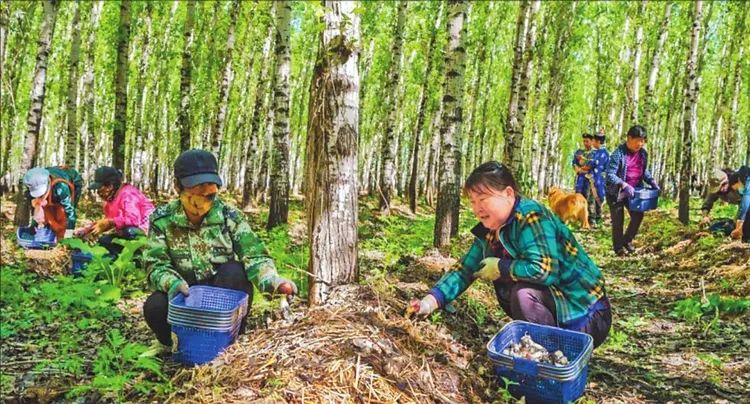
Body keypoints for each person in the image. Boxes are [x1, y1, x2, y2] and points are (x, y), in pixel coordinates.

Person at [407, 161, 611, 348]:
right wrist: (429, 302)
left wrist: (501, 267)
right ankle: (547, 353)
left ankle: (554, 358)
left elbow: (545, 270)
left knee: (523, 294)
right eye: (473, 201)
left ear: (508, 194)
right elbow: (465, 269)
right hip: (559, 308)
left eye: (483, 199)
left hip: (586, 314)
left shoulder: (531, 217)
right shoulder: (491, 230)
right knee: (514, 291)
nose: (477, 209)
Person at [142, 149, 297, 352]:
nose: (201, 202)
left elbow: (254, 255)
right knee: (155, 306)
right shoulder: (162, 219)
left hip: (221, 294)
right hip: (185, 295)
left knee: (235, 272)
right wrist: (172, 283)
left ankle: (230, 339)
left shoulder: (229, 216)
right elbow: (155, 264)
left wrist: (273, 282)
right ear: (177, 186)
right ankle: (175, 344)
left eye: (209, 195)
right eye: (194, 193)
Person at [605, 125, 659, 257]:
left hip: (634, 192)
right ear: (629, 138)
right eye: (638, 140)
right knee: (618, 220)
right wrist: (623, 184)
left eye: (643, 141)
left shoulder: (643, 154)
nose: (640, 144)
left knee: (638, 216)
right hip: (616, 192)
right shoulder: (618, 154)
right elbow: (610, 174)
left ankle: (627, 240)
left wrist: (651, 181)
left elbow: (643, 171)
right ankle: (619, 248)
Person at [76, 166, 155, 255]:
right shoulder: (110, 201)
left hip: (146, 234)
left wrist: (110, 222)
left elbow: (133, 220)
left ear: (110, 186)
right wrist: (88, 230)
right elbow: (107, 221)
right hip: (128, 234)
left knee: (129, 232)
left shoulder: (128, 194)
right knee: (104, 241)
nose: (99, 193)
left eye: (100, 189)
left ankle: (139, 257)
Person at [22, 166, 84, 240]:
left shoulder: (61, 188)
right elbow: (36, 209)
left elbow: (70, 211)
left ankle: (62, 234)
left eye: (41, 193)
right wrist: (33, 227)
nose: (39, 196)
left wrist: (68, 235)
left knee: (63, 214)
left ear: (48, 183)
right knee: (46, 209)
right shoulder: (32, 183)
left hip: (73, 181)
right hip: (54, 184)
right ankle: (48, 230)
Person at [586, 131, 609, 227]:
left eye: (594, 141)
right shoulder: (597, 152)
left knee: (595, 198)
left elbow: (594, 165)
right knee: (595, 198)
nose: (592, 143)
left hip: (598, 180)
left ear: (598, 142)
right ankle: (596, 219)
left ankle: (594, 219)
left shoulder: (603, 153)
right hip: (596, 179)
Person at [725, 166, 750, 242]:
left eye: (737, 188)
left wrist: (739, 225)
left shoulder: (748, 182)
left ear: (738, 180)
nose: (739, 191)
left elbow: (745, 204)